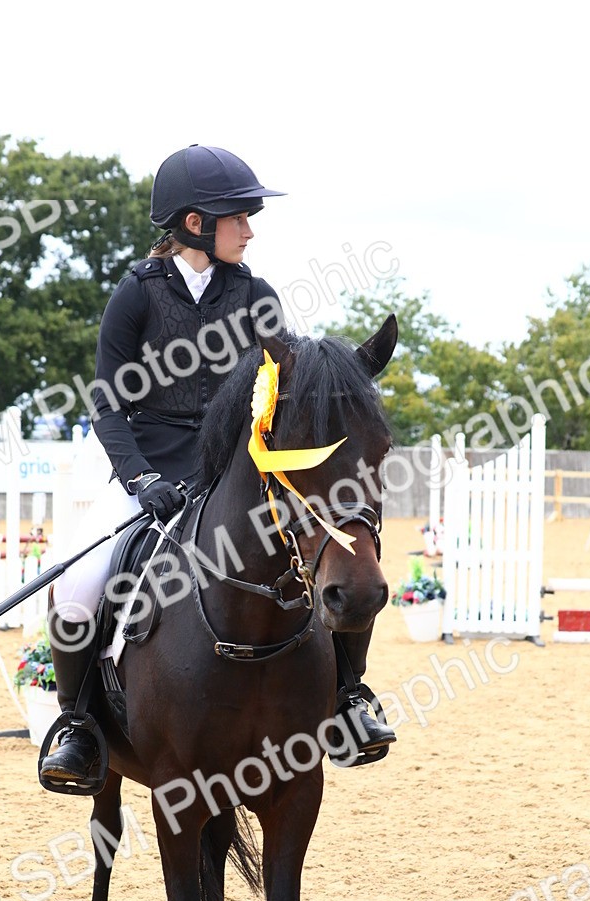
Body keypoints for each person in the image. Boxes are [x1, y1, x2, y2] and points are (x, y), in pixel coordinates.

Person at [41, 144, 395, 789]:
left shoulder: (256, 294)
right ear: (196, 223)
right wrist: (140, 478)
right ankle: (78, 725)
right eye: (239, 218)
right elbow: (107, 402)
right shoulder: (136, 294)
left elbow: (282, 387)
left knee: (336, 553)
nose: (250, 231)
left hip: (235, 470)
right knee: (79, 583)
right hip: (146, 466)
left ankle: (349, 694)